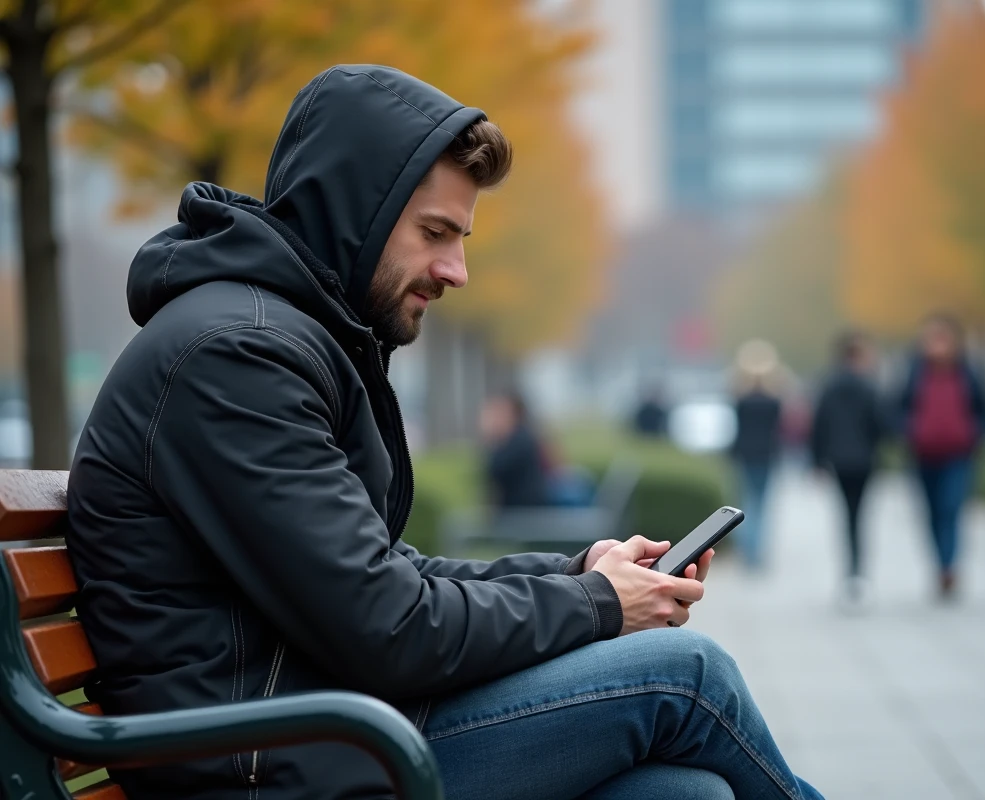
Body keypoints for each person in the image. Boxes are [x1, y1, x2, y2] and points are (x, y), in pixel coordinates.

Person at [66, 65, 822, 800]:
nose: (455, 269)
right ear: (354, 215)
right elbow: (386, 624)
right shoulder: (235, 357)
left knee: (679, 794)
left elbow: (384, 576)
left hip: (323, 731)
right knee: (686, 676)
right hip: (270, 765)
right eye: (435, 232)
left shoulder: (275, 339)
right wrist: (598, 604)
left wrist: (575, 573)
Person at [898, 313, 985, 601]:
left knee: (951, 508)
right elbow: (897, 406)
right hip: (923, 454)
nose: (937, 344)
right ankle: (939, 563)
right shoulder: (914, 371)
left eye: (943, 337)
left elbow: (984, 409)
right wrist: (908, 432)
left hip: (957, 454)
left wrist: (976, 436)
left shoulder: (968, 372)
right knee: (931, 512)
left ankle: (948, 567)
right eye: (931, 338)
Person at [810, 331, 886, 607]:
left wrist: (817, 461)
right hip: (864, 461)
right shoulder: (869, 387)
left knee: (846, 516)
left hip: (838, 461)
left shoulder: (829, 386)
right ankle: (857, 573)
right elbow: (881, 425)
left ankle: (850, 573)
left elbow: (819, 425)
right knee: (860, 516)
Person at [729, 340, 784, 570]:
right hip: (767, 456)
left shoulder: (741, 401)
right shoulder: (773, 402)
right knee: (761, 505)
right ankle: (757, 552)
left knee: (745, 503)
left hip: (744, 455)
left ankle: (748, 551)